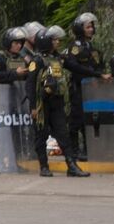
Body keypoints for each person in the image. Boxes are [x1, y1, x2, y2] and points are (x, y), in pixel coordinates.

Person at [29, 28, 91, 177]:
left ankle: (72, 166)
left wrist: (98, 74)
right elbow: (30, 85)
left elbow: (76, 67)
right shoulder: (37, 60)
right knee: (41, 136)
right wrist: (33, 107)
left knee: (63, 135)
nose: (57, 42)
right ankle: (44, 167)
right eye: (54, 40)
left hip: (57, 102)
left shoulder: (58, 59)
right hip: (42, 104)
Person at [65, 12, 103, 161]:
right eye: (88, 27)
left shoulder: (93, 47)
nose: (91, 29)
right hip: (78, 88)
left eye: (92, 26)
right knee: (77, 120)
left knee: (91, 120)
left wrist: (100, 76)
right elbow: (73, 66)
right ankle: (75, 151)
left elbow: (98, 65)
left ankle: (88, 149)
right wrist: (93, 75)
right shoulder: (75, 47)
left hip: (92, 89)